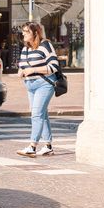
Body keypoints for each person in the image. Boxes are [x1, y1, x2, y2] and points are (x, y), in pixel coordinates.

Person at [16, 22, 60, 157]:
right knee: (42, 115)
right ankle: (48, 146)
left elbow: (54, 66)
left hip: (44, 84)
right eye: (22, 31)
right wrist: (21, 71)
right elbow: (22, 65)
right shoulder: (25, 49)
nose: (23, 33)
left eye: (26, 31)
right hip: (30, 86)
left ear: (35, 33)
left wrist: (33, 70)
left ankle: (32, 147)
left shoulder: (45, 45)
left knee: (36, 115)